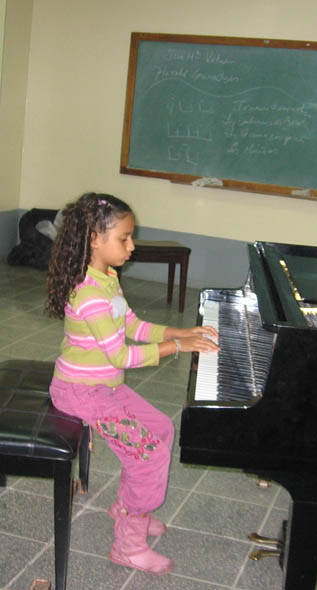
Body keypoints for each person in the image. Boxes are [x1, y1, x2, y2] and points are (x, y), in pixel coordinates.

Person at [45, 192, 219, 575]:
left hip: (103, 386)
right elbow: (121, 356)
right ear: (94, 239)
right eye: (124, 238)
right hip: (82, 393)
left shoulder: (107, 277)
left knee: (160, 428)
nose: (132, 245)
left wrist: (180, 330)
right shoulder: (88, 293)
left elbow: (133, 325)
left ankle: (129, 505)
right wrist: (177, 347)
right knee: (147, 454)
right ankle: (128, 543)